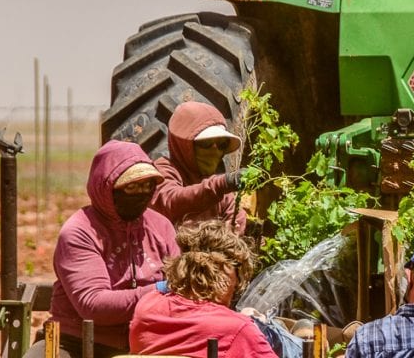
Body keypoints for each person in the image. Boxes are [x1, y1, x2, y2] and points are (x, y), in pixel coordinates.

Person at [23, 140, 180, 358]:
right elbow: (94, 305)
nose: (141, 193)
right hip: (75, 341)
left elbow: (181, 285)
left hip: (148, 341)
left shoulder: (161, 226)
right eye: (131, 187)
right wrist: (161, 289)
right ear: (106, 188)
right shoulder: (80, 231)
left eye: (147, 186)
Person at [129, 219, 301, 358]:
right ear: (227, 271)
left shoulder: (147, 307)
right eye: (238, 273)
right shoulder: (237, 329)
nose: (237, 284)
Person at [152, 101, 248, 234]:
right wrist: (222, 184)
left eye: (222, 145)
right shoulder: (163, 170)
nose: (215, 151)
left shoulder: (218, 189)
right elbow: (171, 201)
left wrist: (233, 229)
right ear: (184, 146)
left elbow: (233, 214)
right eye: (206, 143)